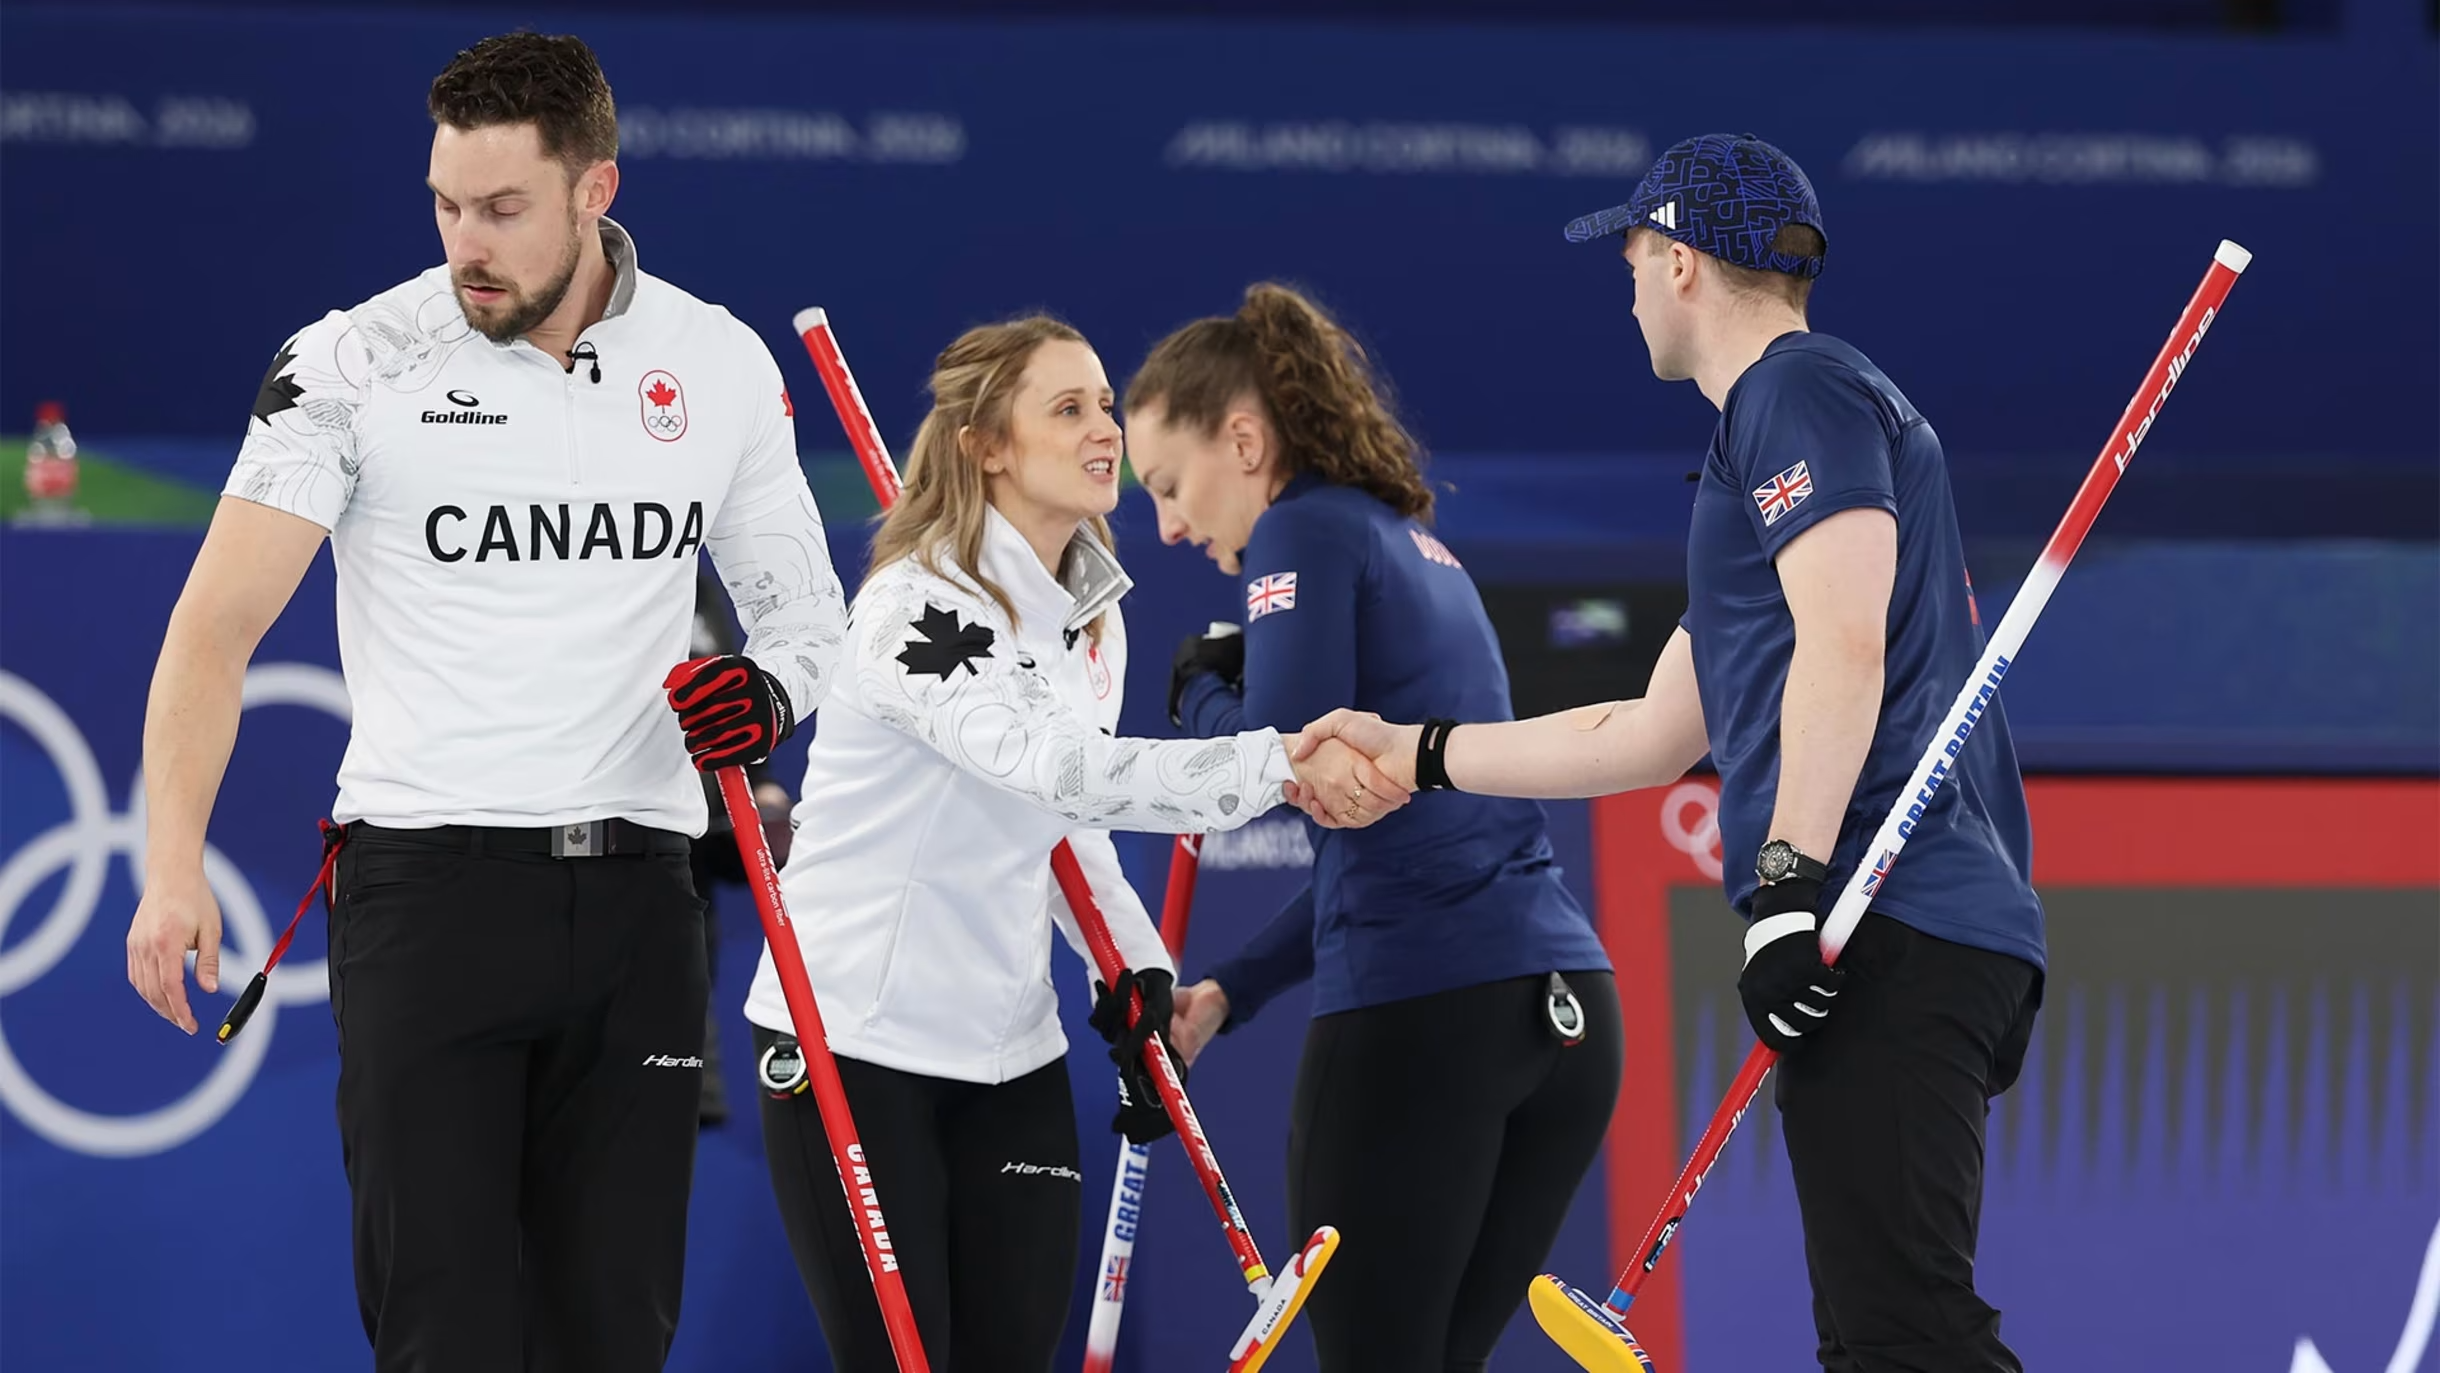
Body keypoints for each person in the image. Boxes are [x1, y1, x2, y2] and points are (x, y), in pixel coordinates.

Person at [121, 32, 847, 1373]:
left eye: (505, 209)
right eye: (448, 205)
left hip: (641, 907)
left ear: (596, 191)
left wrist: (770, 690)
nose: (471, 244)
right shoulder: (351, 364)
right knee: (443, 1334)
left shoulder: (718, 361)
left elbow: (810, 624)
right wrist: (170, 869)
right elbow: (211, 634)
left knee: (610, 1337)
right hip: (427, 898)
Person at [1299, 133, 2045, 1372]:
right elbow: (1647, 732)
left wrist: (1790, 886)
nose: (1628, 283)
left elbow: (1844, 645)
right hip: (1885, 926)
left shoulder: (1795, 393)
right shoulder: (1769, 444)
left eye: (1636, 255)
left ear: (1685, 261)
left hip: (1883, 912)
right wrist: (1417, 751)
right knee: (1875, 1337)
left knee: (1908, 1337)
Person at [744, 314, 1401, 1371]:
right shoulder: (913, 608)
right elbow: (1053, 767)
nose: (1104, 428)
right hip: (852, 1043)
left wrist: (1134, 963)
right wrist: (1275, 760)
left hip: (1010, 1050)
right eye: (1067, 408)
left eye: (1103, 403)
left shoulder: (1091, 617)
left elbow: (1064, 822)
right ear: (986, 445)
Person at [1124, 282, 1625, 1373]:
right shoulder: (1407, 543)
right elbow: (1394, 850)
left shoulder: (1299, 525)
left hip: (1428, 1016)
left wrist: (1199, 687)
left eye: (1168, 484)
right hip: (1566, 1014)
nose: (1165, 524)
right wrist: (1231, 991)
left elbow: (1271, 758)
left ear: (1244, 440)